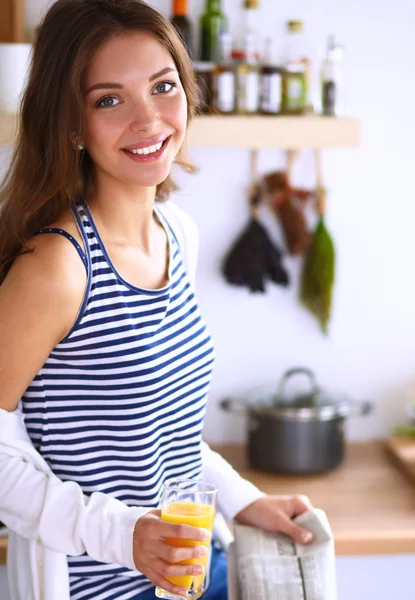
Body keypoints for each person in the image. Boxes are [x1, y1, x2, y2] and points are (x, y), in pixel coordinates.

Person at [0, 1, 314, 599]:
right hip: (104, 586)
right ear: (71, 123)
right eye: (109, 100)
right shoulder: (56, 269)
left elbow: (165, 433)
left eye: (163, 86)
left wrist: (244, 501)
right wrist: (127, 536)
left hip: (196, 569)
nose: (149, 120)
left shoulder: (177, 233)